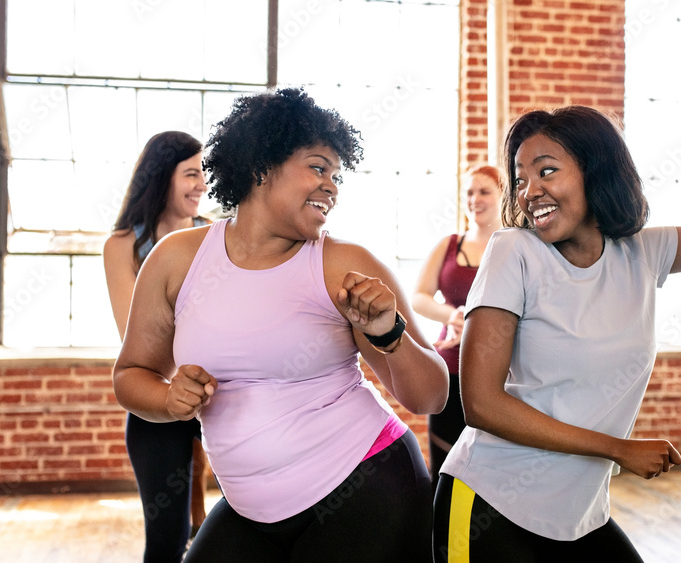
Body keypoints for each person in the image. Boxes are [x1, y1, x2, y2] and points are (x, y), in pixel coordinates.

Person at [433, 33, 681, 561]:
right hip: (488, 506)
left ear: (596, 171)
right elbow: (480, 404)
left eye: (547, 170)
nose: (529, 191)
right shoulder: (513, 251)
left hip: (579, 514)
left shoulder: (644, 252)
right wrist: (619, 449)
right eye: (521, 179)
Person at [111, 87, 449, 562]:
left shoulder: (341, 264)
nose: (331, 185)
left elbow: (430, 396)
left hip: (365, 485)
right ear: (260, 167)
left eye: (336, 174)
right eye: (317, 167)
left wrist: (389, 334)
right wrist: (169, 400)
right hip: (249, 507)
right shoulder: (176, 260)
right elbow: (130, 375)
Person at [103, 131, 212, 562]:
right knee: (167, 536)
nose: (202, 184)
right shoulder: (123, 245)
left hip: (220, 389)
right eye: (191, 173)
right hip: (159, 395)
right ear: (161, 177)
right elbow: (137, 338)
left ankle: (199, 518)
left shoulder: (216, 235)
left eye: (203, 173)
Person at [412, 164, 504, 485]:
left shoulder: (517, 248)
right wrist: (452, 316)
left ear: (502, 195)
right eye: (469, 192)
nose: (474, 199)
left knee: (491, 467)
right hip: (449, 369)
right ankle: (442, 532)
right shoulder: (449, 244)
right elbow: (419, 297)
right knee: (446, 466)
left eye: (484, 191)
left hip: (501, 374)